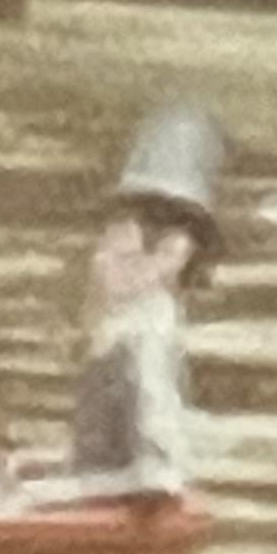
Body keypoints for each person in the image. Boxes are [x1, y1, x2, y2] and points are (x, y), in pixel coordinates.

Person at [59, 88, 229, 498]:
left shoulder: (143, 339)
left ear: (178, 257)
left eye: (151, 234)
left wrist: (47, 495)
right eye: (118, 228)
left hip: (121, 517)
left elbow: (158, 479)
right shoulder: (119, 328)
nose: (119, 248)